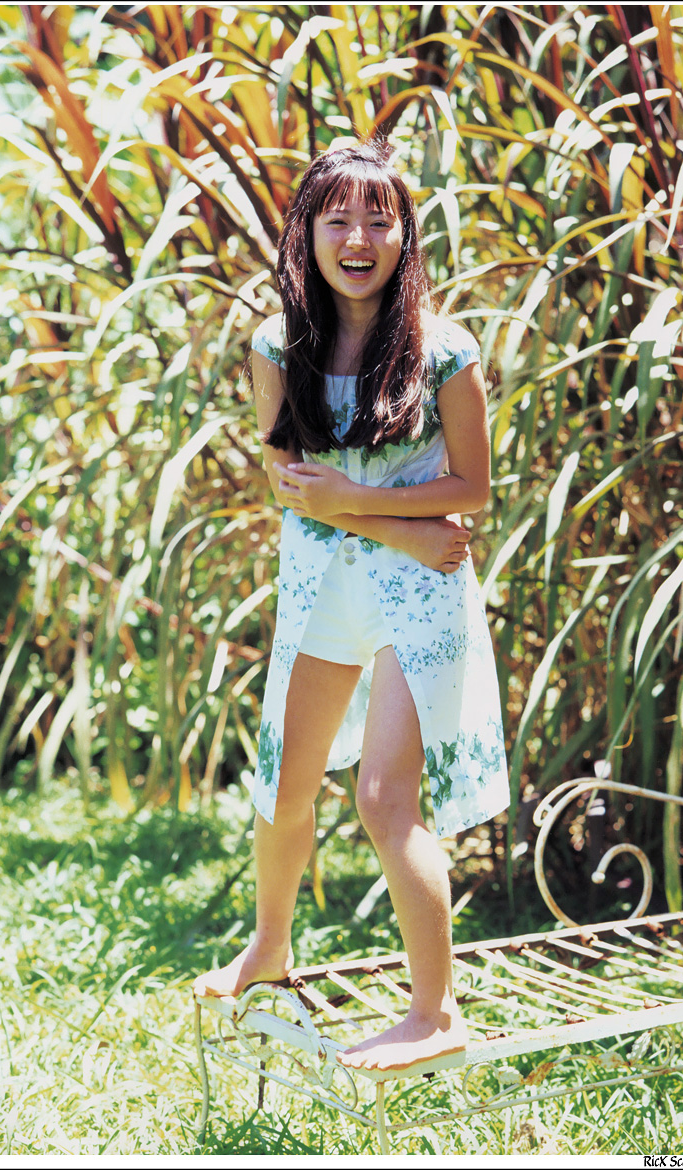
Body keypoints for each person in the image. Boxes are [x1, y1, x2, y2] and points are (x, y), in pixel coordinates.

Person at [193, 141, 509, 1073]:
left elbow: (474, 489)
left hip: (420, 594)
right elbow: (293, 488)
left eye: (380, 218)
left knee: (383, 798)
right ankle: (269, 948)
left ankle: (436, 1013)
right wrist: (396, 526)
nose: (359, 238)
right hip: (325, 582)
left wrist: (366, 511)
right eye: (338, 219)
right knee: (285, 782)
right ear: (308, 233)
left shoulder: (445, 352)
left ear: (405, 234)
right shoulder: (274, 346)